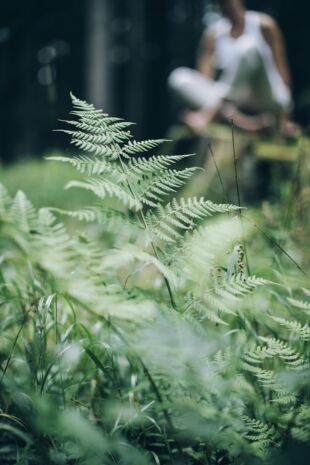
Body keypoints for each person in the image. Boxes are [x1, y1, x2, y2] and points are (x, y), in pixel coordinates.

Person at [168, 0, 298, 136]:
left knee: (249, 47)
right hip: (235, 104)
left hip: (266, 97)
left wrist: (286, 117)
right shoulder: (213, 34)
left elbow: (282, 71)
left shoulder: (264, 25)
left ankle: (209, 115)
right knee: (178, 78)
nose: (225, 5)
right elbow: (204, 80)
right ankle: (248, 124)